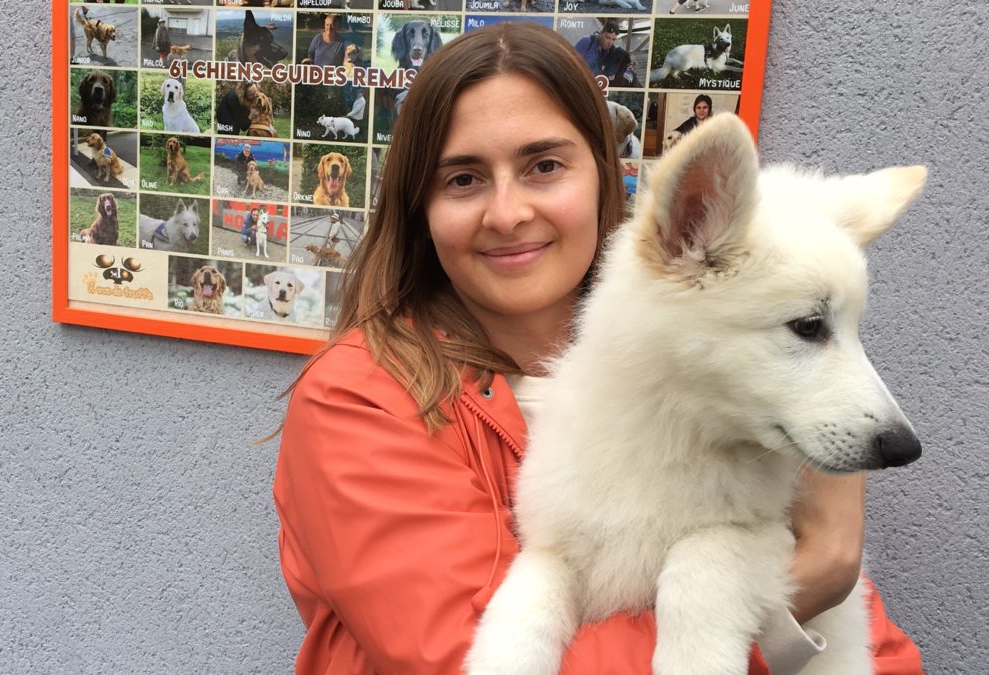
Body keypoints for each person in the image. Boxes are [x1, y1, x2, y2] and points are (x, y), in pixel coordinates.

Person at [273, 22, 922, 675]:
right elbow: (446, 648)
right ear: (421, 207)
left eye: (545, 165)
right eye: (464, 178)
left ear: (603, 174)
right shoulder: (359, 398)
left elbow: (879, 651)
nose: (508, 212)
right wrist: (813, 574)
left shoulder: (715, 383)